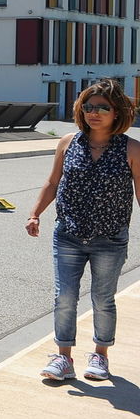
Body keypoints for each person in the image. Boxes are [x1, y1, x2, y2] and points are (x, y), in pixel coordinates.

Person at [27, 80, 139, 382]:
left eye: (103, 107)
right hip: (68, 234)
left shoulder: (132, 148)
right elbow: (53, 183)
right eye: (89, 106)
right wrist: (35, 214)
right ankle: (63, 357)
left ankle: (100, 355)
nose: (95, 112)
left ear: (117, 112)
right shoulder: (67, 142)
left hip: (110, 238)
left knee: (103, 298)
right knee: (65, 296)